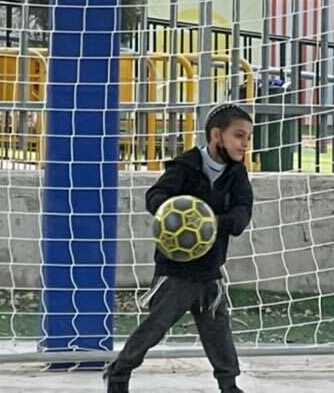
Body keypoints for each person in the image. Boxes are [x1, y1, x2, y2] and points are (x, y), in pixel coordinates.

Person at [103, 103, 254, 393]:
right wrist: (177, 212)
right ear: (216, 135)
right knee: (156, 326)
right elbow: (155, 196)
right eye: (238, 135)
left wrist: (210, 222)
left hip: (210, 270)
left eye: (248, 137)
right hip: (176, 270)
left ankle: (229, 385)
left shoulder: (237, 175)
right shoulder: (186, 166)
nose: (244, 143)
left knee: (217, 331)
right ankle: (119, 372)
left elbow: (241, 216)